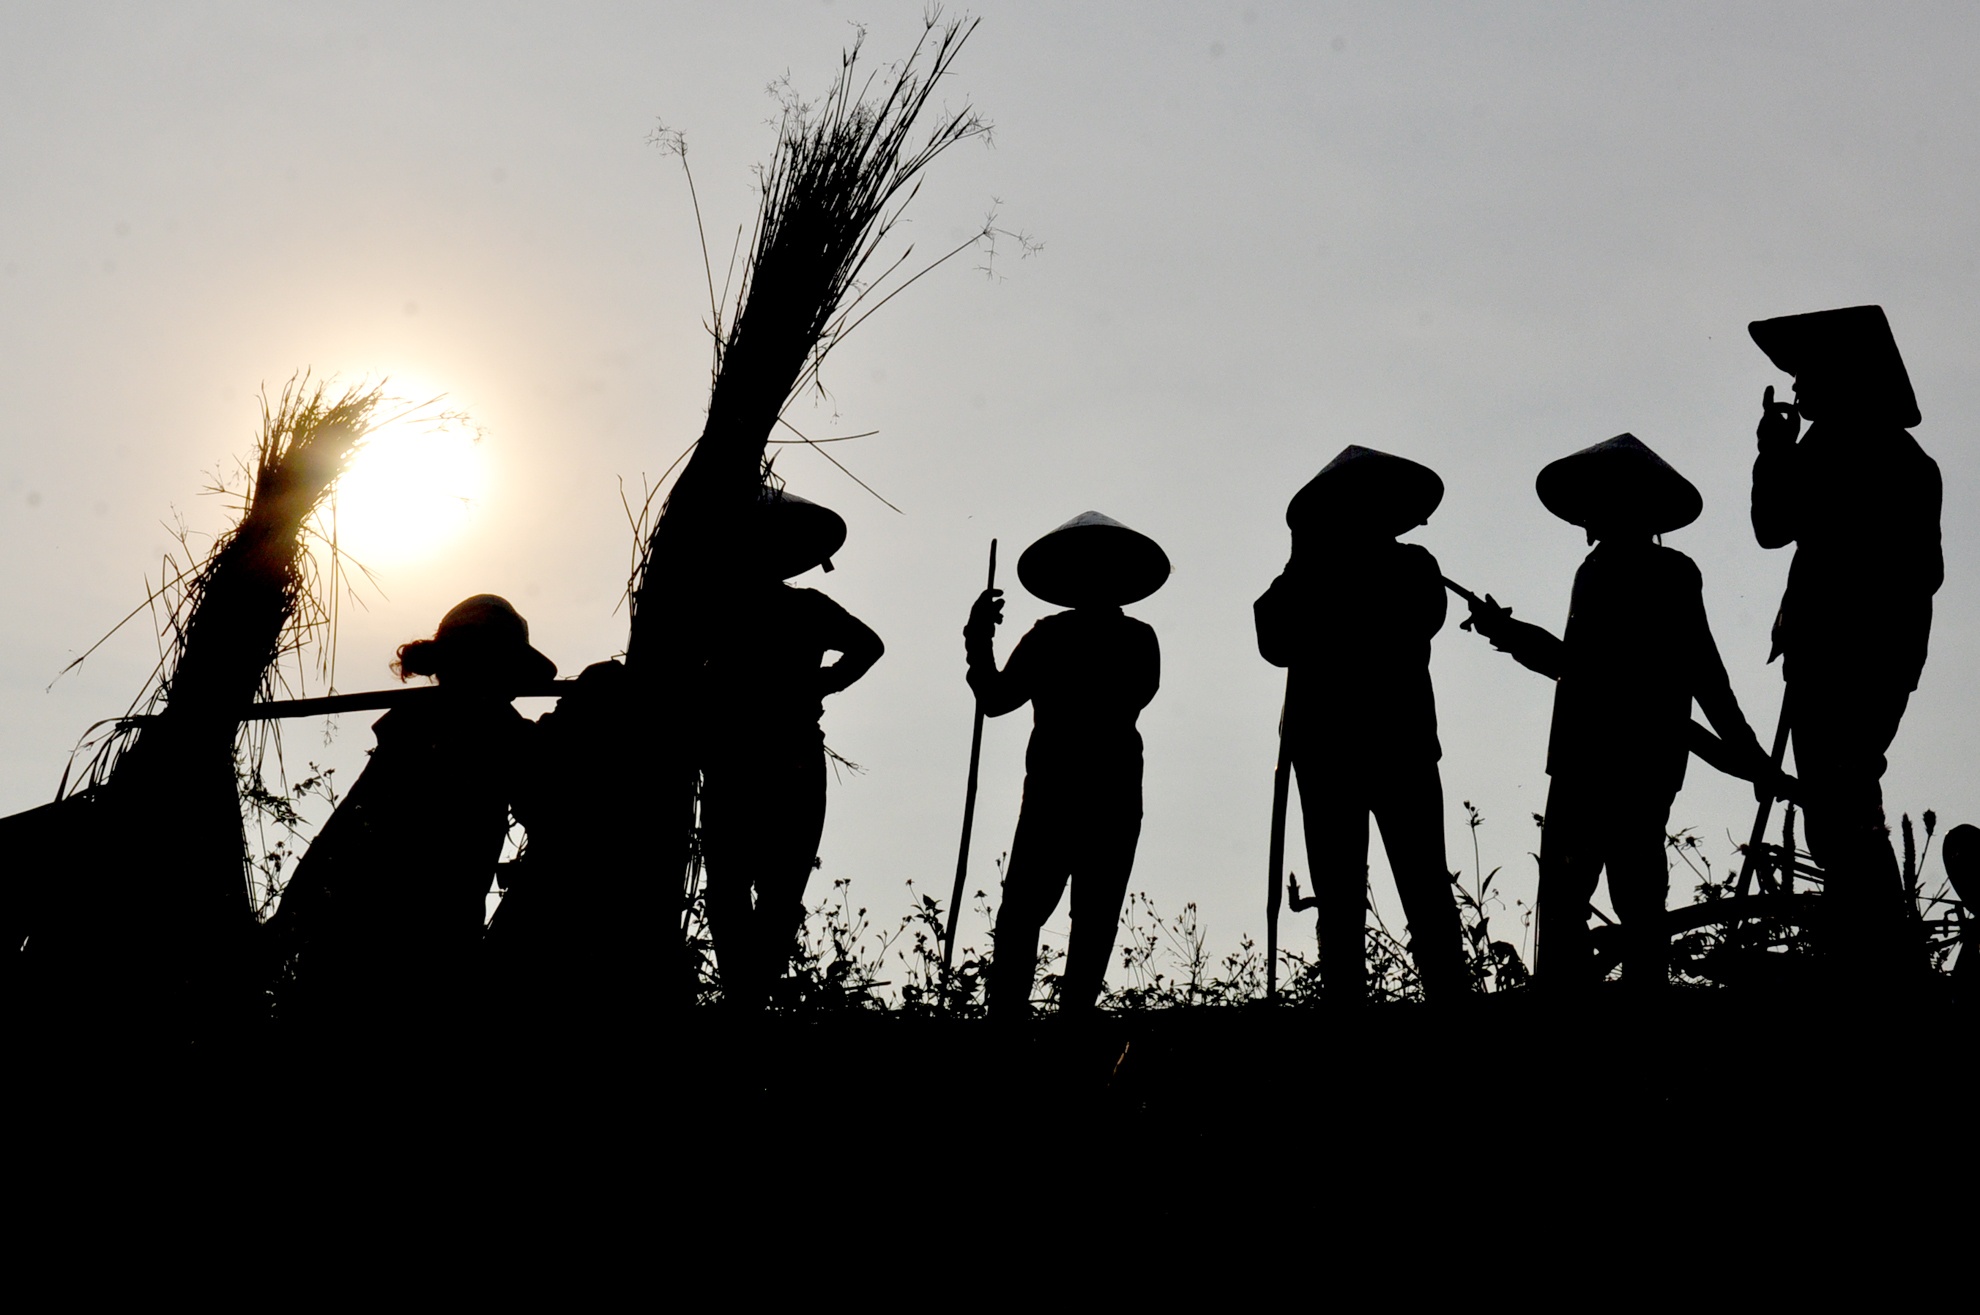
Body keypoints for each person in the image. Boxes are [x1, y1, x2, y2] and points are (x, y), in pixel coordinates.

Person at [1465, 436, 1778, 994]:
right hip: (1604, 758)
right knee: (1597, 898)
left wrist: (1748, 754)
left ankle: (1616, 1007)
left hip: (1616, 761)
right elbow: (1581, 668)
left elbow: (1697, 670)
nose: (1587, 516)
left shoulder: (1662, 573)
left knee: (1606, 898)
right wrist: (1509, 634)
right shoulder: (1608, 570)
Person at [1749, 305, 1943, 973]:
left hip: (1841, 654)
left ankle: (1880, 960)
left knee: (1841, 805)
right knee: (1846, 798)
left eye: (1806, 375)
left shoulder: (1833, 446)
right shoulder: (1910, 460)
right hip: (1879, 655)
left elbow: (1772, 527)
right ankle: (1874, 953)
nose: (1796, 387)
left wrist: (1774, 452)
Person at [268, 594, 552, 1037]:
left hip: (372, 946)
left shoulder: (458, 729)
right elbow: (347, 834)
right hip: (408, 956)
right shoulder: (491, 734)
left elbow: (341, 836)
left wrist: (288, 925)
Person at [1253, 445, 1470, 1004]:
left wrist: (1310, 571)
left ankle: (1448, 1001)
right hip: (1333, 751)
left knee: (1423, 884)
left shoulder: (1412, 565)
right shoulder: (1308, 575)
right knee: (1339, 892)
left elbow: (1423, 617)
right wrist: (1301, 564)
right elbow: (1272, 640)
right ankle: (1347, 1008)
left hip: (1395, 746)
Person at [966, 511, 1166, 1019]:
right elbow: (996, 700)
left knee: (1044, 913)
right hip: (1095, 791)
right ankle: (1033, 1021)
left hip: (1070, 790)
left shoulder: (1059, 637)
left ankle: (1024, 1021)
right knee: (1068, 914)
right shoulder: (1132, 638)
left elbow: (995, 698)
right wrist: (979, 640)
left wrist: (979, 642)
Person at [697, 486, 883, 1010]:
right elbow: (869, 646)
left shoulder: (719, 609)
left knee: (738, 887)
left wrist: (820, 684)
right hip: (769, 759)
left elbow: (868, 646)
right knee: (761, 890)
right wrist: (820, 684)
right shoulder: (780, 607)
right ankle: (749, 998)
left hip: (752, 760)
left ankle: (745, 998)